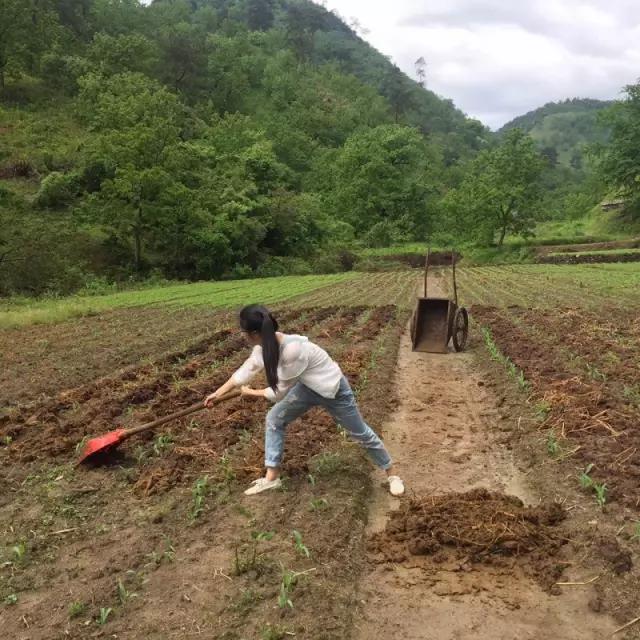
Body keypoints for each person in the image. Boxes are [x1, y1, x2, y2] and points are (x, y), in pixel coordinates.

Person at [204, 304, 405, 497]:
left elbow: (278, 394)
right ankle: (272, 478)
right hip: (308, 387)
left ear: (254, 334)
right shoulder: (264, 346)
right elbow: (246, 370)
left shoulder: (292, 350)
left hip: (333, 389)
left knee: (359, 432)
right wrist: (218, 393)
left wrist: (250, 392)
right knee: (275, 419)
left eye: (243, 332)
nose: (242, 335)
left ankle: (392, 474)